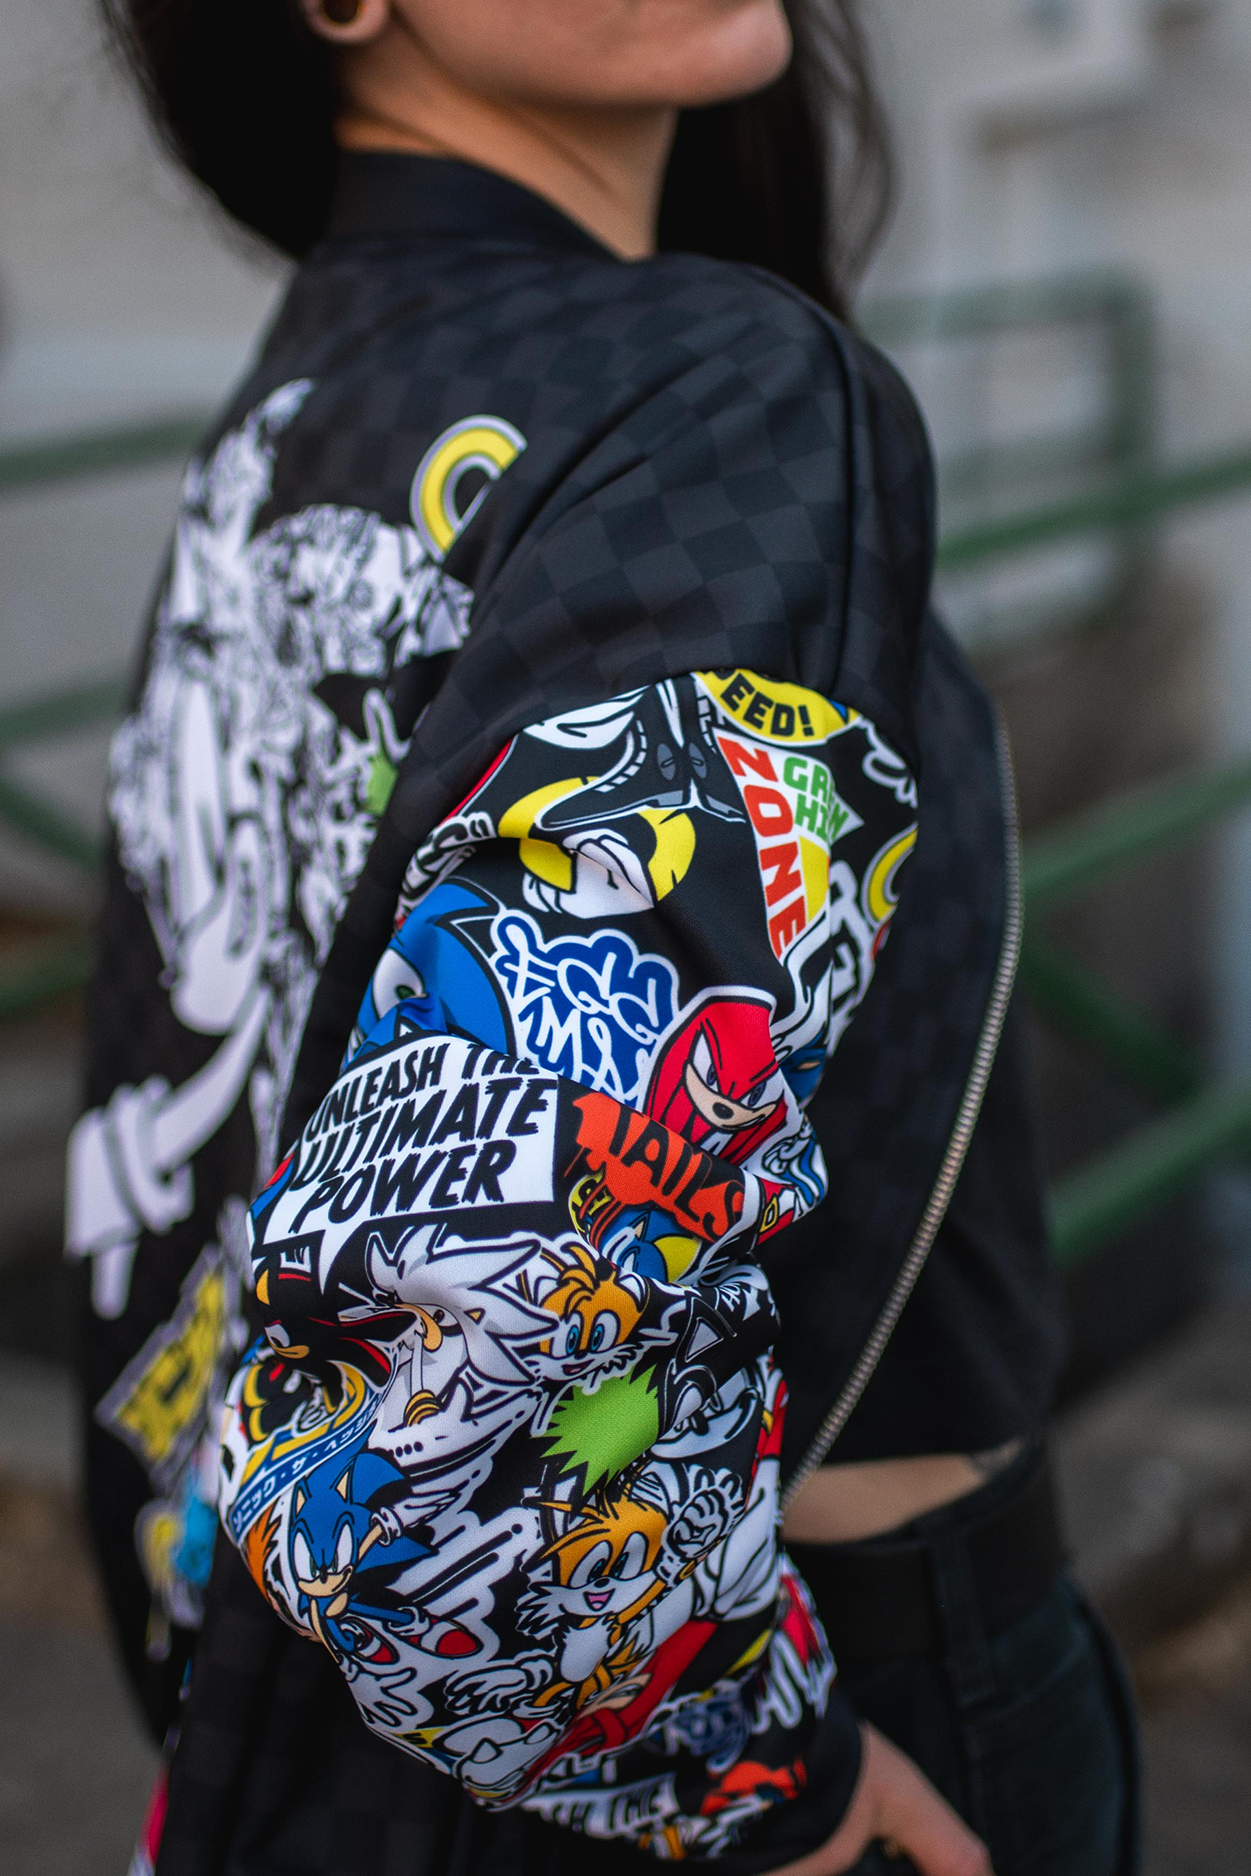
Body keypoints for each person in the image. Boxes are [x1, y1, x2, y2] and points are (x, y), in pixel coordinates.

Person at [70, 3, 1139, 1873]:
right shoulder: (715, 387)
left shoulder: (316, 387)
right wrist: (744, 1766)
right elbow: (484, 1284)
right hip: (777, 1665)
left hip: (325, 1708)